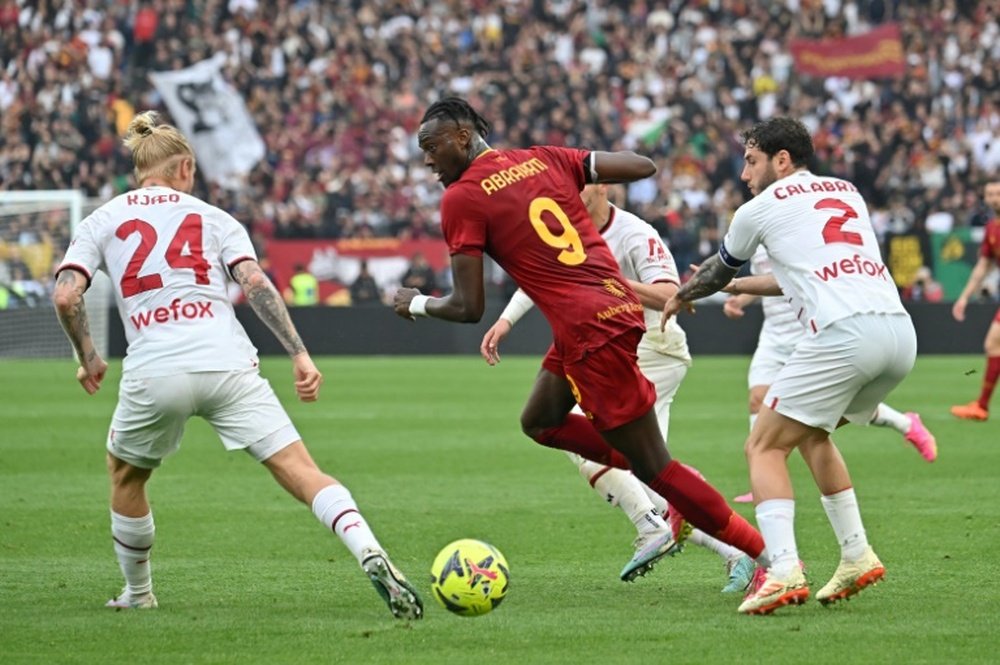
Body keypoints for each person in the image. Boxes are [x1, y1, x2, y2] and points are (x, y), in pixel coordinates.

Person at [52, 111, 422, 619]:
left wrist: (88, 357)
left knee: (126, 477)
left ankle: (138, 594)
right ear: (183, 167)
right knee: (300, 470)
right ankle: (369, 550)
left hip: (154, 368)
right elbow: (256, 285)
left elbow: (67, 296)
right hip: (226, 361)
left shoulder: (102, 219)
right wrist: (298, 353)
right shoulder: (215, 218)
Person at [393, 97, 767, 579]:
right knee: (541, 421)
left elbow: (468, 307)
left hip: (592, 330)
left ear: (463, 136)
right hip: (607, 315)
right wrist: (585, 166)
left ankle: (769, 559)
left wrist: (415, 303)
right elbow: (643, 165)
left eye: (431, 145)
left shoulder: (462, 197)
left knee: (657, 471)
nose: (426, 159)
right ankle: (655, 470)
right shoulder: (543, 158)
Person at [662, 117, 916, 615]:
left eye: (752, 160)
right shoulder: (846, 191)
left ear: (782, 160)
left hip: (843, 334)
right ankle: (856, 554)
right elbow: (798, 273)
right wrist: (738, 288)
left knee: (762, 444)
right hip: (898, 334)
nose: (744, 174)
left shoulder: (756, 210)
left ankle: (782, 570)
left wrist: (683, 293)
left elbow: (716, 269)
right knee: (810, 434)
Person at [481, 182, 755, 591]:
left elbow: (668, 294)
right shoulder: (565, 227)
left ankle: (654, 529)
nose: (570, 194)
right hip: (609, 352)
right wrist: (506, 320)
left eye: (580, 186)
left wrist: (606, 284)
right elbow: (543, 272)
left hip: (653, 352)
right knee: (649, 473)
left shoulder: (635, 233)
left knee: (604, 450)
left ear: (603, 187)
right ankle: (738, 552)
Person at [723, 246, 938, 505]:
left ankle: (904, 423)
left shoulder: (795, 228)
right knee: (759, 398)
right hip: (773, 334)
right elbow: (767, 279)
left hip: (809, 330)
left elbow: (798, 280)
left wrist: (734, 286)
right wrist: (740, 298)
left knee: (815, 416)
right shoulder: (757, 232)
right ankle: (762, 479)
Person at [949, 178, 1000, 421]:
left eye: (997, 193)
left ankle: (981, 406)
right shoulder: (992, 228)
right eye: (989, 194)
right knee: (993, 345)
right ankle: (981, 406)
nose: (992, 198)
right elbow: (983, 265)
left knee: (993, 343)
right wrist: (964, 298)